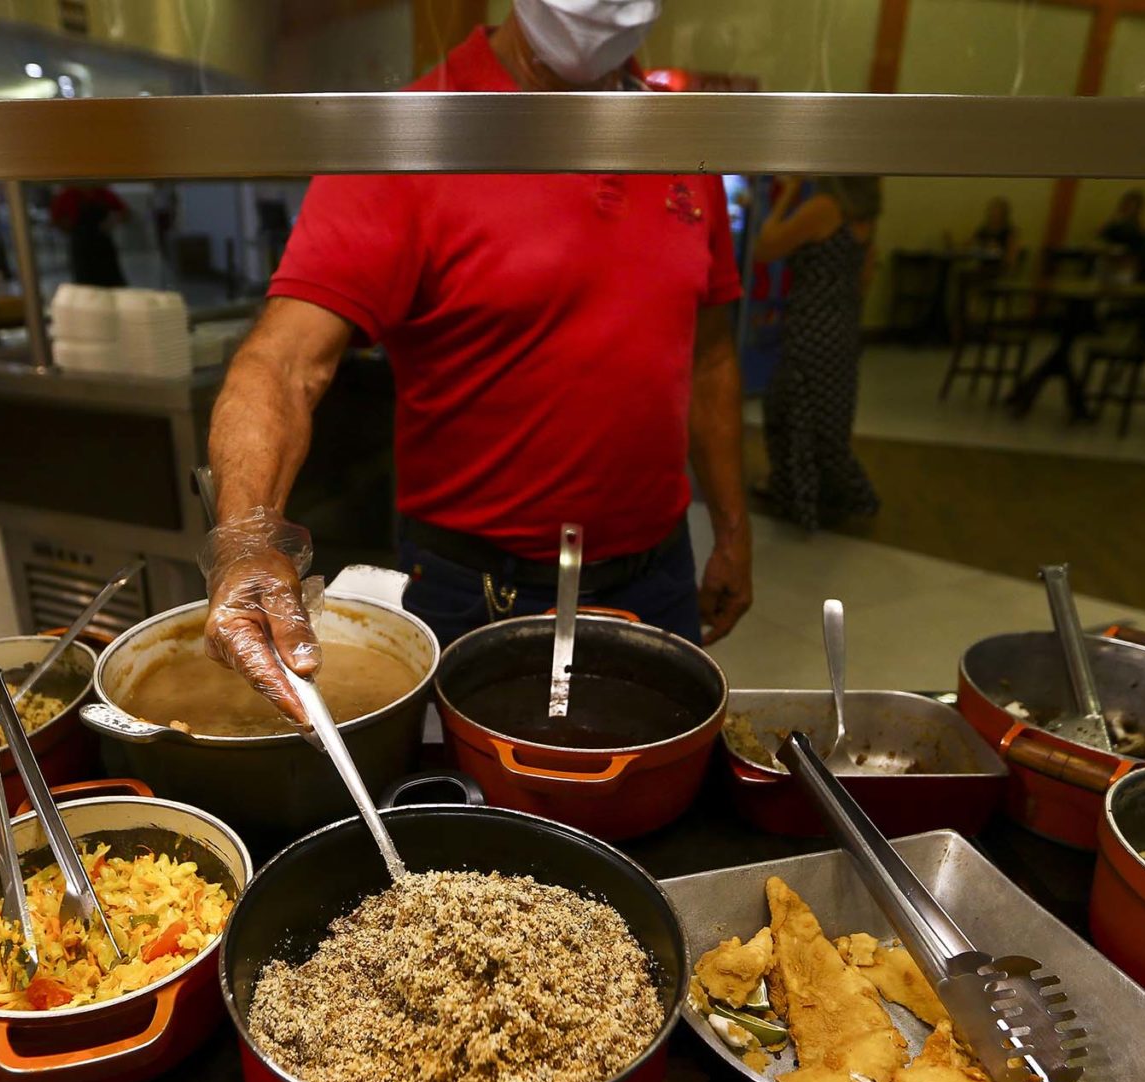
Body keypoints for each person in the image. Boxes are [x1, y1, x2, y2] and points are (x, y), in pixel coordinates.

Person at [198, 0, 750, 720]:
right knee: (485, 819)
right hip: (482, 592)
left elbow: (708, 359)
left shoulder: (680, 135)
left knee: (658, 802)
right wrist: (245, 538)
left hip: (659, 576)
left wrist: (734, 529)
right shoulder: (416, 133)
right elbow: (281, 363)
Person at [752, 176, 881, 533]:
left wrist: (788, 194)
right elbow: (865, 277)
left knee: (791, 406)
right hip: (843, 327)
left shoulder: (823, 209)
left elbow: (765, 248)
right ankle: (829, 496)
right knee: (828, 416)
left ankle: (796, 492)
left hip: (811, 325)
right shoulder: (864, 217)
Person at [49, 183, 130, 287]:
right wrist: (68, 227)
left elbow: (125, 213)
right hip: (81, 245)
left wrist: (111, 222)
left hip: (103, 244)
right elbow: (54, 220)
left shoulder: (103, 193)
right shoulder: (67, 195)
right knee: (85, 282)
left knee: (110, 281)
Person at [967, 195, 1019, 266]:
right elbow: (970, 243)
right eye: (992, 211)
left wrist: (998, 251)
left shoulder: (1009, 231)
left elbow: (1011, 255)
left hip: (1000, 268)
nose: (994, 214)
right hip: (982, 265)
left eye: (997, 212)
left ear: (1004, 214)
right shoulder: (984, 229)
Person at [1097, 190, 1145, 257]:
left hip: (1126, 258)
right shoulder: (1116, 221)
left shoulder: (1136, 227)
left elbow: (1138, 243)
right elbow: (1101, 234)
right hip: (1109, 256)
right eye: (1125, 203)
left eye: (1130, 205)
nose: (1126, 206)